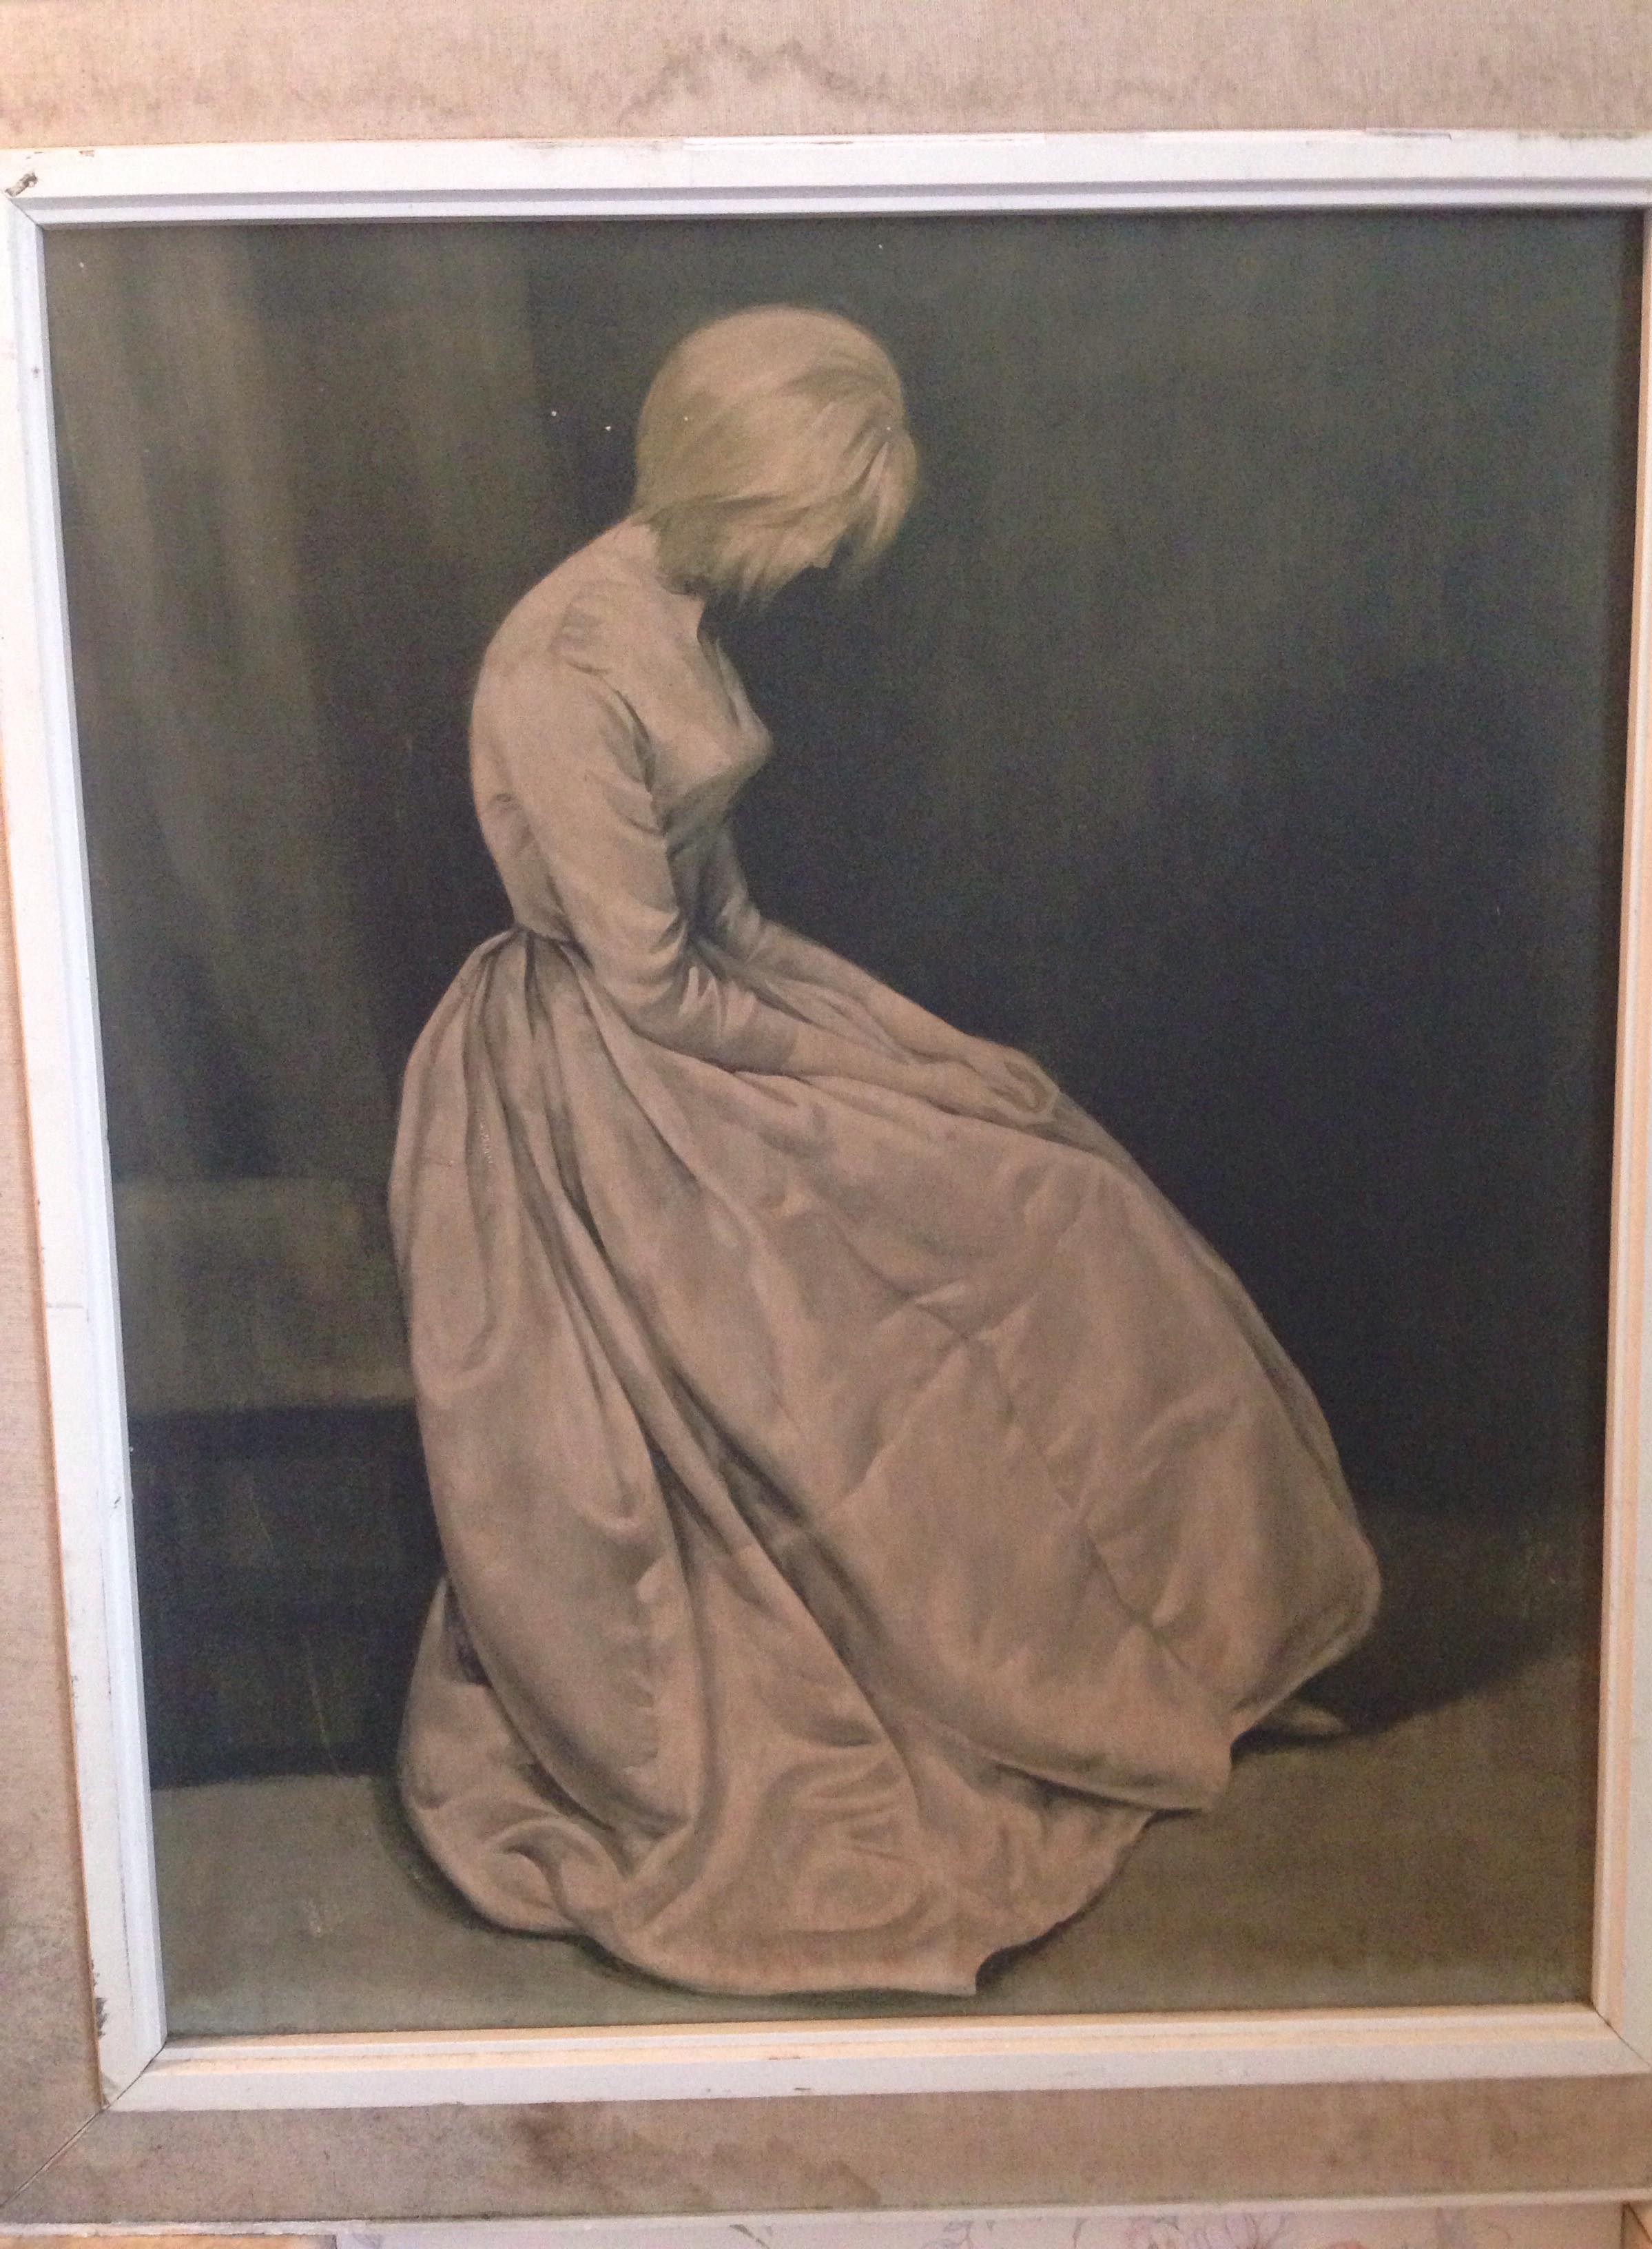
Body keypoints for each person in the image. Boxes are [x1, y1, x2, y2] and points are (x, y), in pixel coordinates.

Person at [391, 304, 1381, 1998]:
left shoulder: (676, 613)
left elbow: (731, 930)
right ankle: (1028, 1691)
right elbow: (650, 985)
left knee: (1061, 1188)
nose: (814, 568)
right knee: (905, 1304)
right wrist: (870, 1083)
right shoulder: (562, 666)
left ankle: (1176, 1661)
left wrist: (929, 1054)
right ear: (732, 483)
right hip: (602, 1099)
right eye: (809, 527)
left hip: (713, 1033)